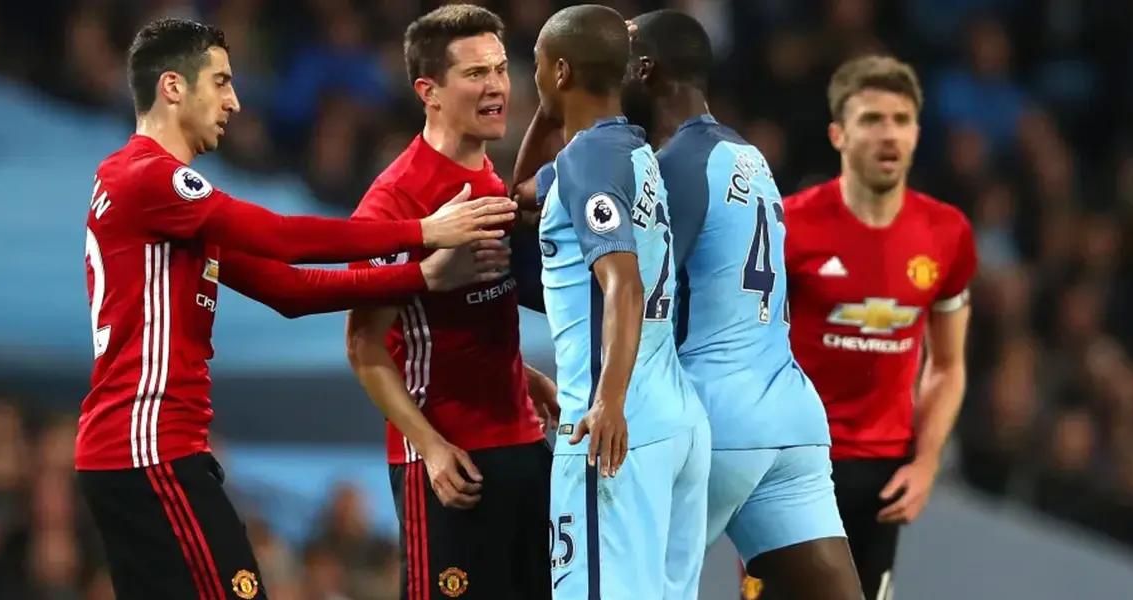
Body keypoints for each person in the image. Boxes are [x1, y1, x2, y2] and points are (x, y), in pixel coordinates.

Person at [76, 18, 514, 600]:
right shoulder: (149, 178)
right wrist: (422, 231)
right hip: (150, 446)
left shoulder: (162, 202)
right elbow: (282, 237)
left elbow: (289, 291)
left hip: (137, 449)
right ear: (173, 87)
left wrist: (419, 278)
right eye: (221, 82)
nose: (234, 102)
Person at [619, 10, 863, 600]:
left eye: (617, 60)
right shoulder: (746, 155)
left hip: (716, 414)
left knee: (625, 584)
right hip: (790, 415)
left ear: (645, 70)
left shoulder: (674, 165)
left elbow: (633, 291)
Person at [344, 6, 556, 599]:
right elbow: (364, 348)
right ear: (428, 92)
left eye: (500, 69)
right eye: (475, 73)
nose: (496, 86)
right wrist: (431, 447)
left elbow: (455, 322)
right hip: (452, 465)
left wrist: (524, 374)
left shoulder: (493, 181)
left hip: (523, 448)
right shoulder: (392, 203)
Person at [517, 5, 710, 598]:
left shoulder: (588, 162)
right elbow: (520, 196)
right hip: (676, 418)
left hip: (613, 425)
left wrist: (608, 402)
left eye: (538, 65)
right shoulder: (629, 151)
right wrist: (553, 107)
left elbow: (623, 283)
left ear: (560, 71)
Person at [783, 55, 977, 600]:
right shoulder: (789, 225)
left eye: (901, 119)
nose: (888, 133)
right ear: (838, 135)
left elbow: (948, 364)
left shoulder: (947, 234)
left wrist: (927, 460)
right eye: (871, 119)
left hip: (882, 472)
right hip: (795, 463)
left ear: (917, 133)